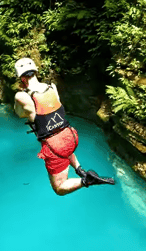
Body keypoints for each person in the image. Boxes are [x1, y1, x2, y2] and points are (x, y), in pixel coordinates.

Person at [13, 57, 115, 196]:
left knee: (59, 188)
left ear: (22, 78)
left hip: (54, 146)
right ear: (36, 72)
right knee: (62, 143)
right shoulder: (52, 87)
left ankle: (86, 181)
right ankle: (80, 170)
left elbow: (19, 113)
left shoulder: (22, 96)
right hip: (71, 135)